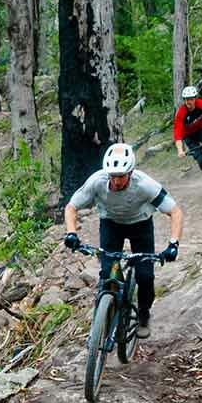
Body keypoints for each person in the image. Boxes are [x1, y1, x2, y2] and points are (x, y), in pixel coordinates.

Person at [62, 143, 182, 339]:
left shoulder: (145, 185)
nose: (116, 181)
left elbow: (175, 211)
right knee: (108, 272)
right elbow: (71, 207)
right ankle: (106, 312)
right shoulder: (97, 181)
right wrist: (71, 233)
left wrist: (173, 243)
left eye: (121, 176)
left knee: (145, 276)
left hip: (140, 226)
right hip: (111, 224)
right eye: (112, 176)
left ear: (131, 172)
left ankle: (143, 314)